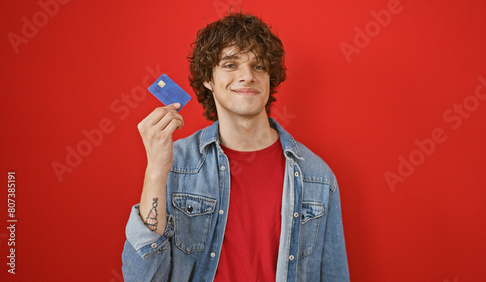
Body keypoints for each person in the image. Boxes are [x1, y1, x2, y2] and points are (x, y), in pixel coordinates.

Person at [122, 12, 349, 281]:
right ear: (208, 79)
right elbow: (142, 277)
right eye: (230, 65)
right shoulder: (177, 162)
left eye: (259, 66)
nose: (247, 76)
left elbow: (334, 275)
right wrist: (157, 170)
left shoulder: (318, 177)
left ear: (269, 80)